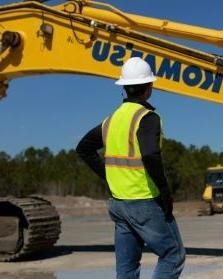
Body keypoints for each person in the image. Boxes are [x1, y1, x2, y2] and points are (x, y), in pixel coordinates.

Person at [76, 57, 185, 279]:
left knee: (126, 268)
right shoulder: (147, 117)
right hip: (144, 201)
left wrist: (108, 176)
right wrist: (164, 190)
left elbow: (84, 148)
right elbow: (150, 154)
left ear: (124, 88)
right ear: (149, 87)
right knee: (173, 255)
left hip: (119, 204)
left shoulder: (111, 120)